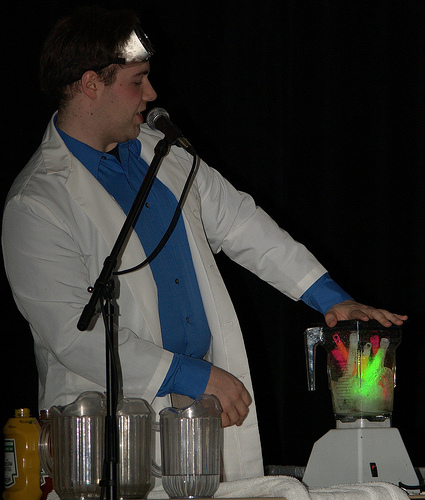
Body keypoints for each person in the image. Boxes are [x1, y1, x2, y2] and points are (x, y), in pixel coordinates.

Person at [2, 5, 407, 484]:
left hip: (197, 414)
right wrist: (192, 375)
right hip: (104, 428)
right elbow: (74, 335)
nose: (151, 94)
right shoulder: (37, 202)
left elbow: (242, 224)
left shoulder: (161, 153)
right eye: (137, 81)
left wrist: (331, 299)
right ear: (91, 84)